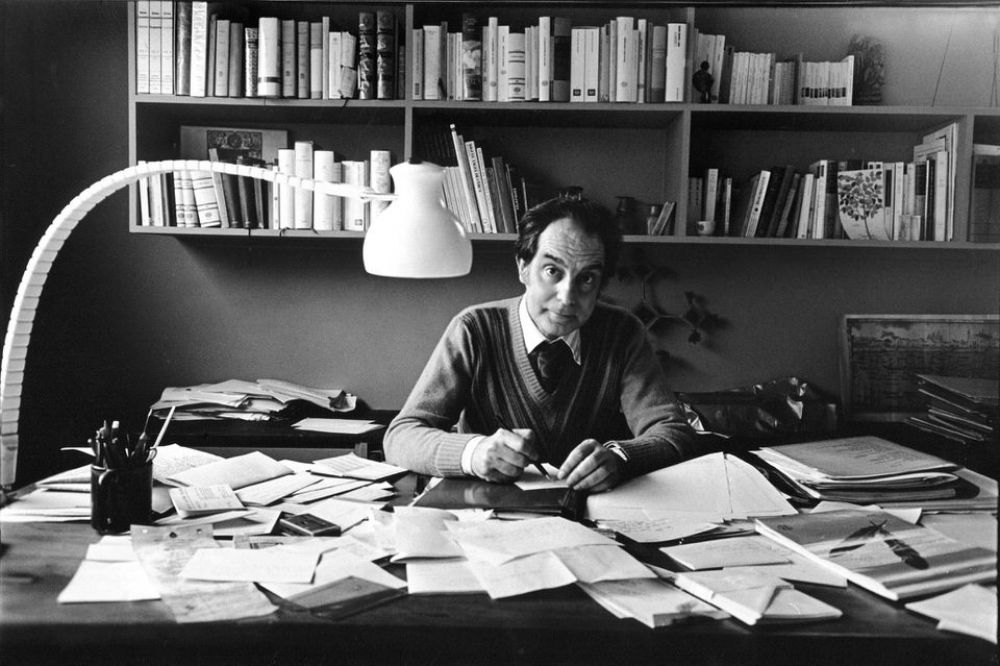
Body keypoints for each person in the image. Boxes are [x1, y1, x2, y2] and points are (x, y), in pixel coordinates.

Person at [383, 197, 698, 492]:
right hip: (488, 516)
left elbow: (673, 432)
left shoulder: (622, 333)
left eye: (587, 278)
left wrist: (620, 457)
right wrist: (473, 452)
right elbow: (400, 436)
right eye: (552, 271)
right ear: (523, 267)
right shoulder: (474, 329)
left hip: (594, 516)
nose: (567, 297)